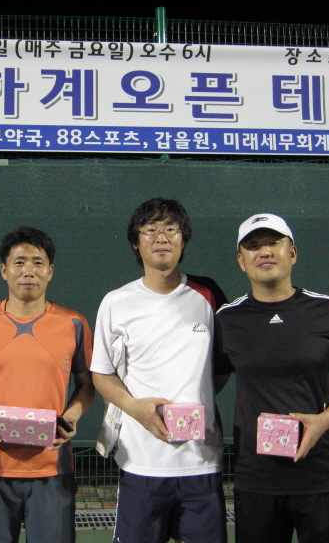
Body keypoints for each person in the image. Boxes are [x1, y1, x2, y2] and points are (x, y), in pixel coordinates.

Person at [214, 213, 329, 543]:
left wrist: (323, 421)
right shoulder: (226, 319)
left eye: (273, 243)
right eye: (253, 246)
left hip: (322, 475)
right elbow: (209, 383)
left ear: (292, 253)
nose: (264, 252)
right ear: (241, 261)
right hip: (256, 479)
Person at [90, 197, 229, 543]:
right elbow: (101, 374)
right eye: (150, 230)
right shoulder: (116, 302)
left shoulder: (208, 294)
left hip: (202, 462)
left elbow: (225, 366)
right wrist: (135, 408)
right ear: (135, 242)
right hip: (141, 462)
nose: (161, 237)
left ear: (183, 240)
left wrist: (199, 397)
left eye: (171, 229)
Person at [0, 226, 94, 543]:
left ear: (50, 271)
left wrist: (71, 417)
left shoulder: (74, 323)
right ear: (4, 270)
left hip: (53, 468)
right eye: (19, 262)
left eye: (37, 262)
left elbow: (87, 384)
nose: (28, 271)